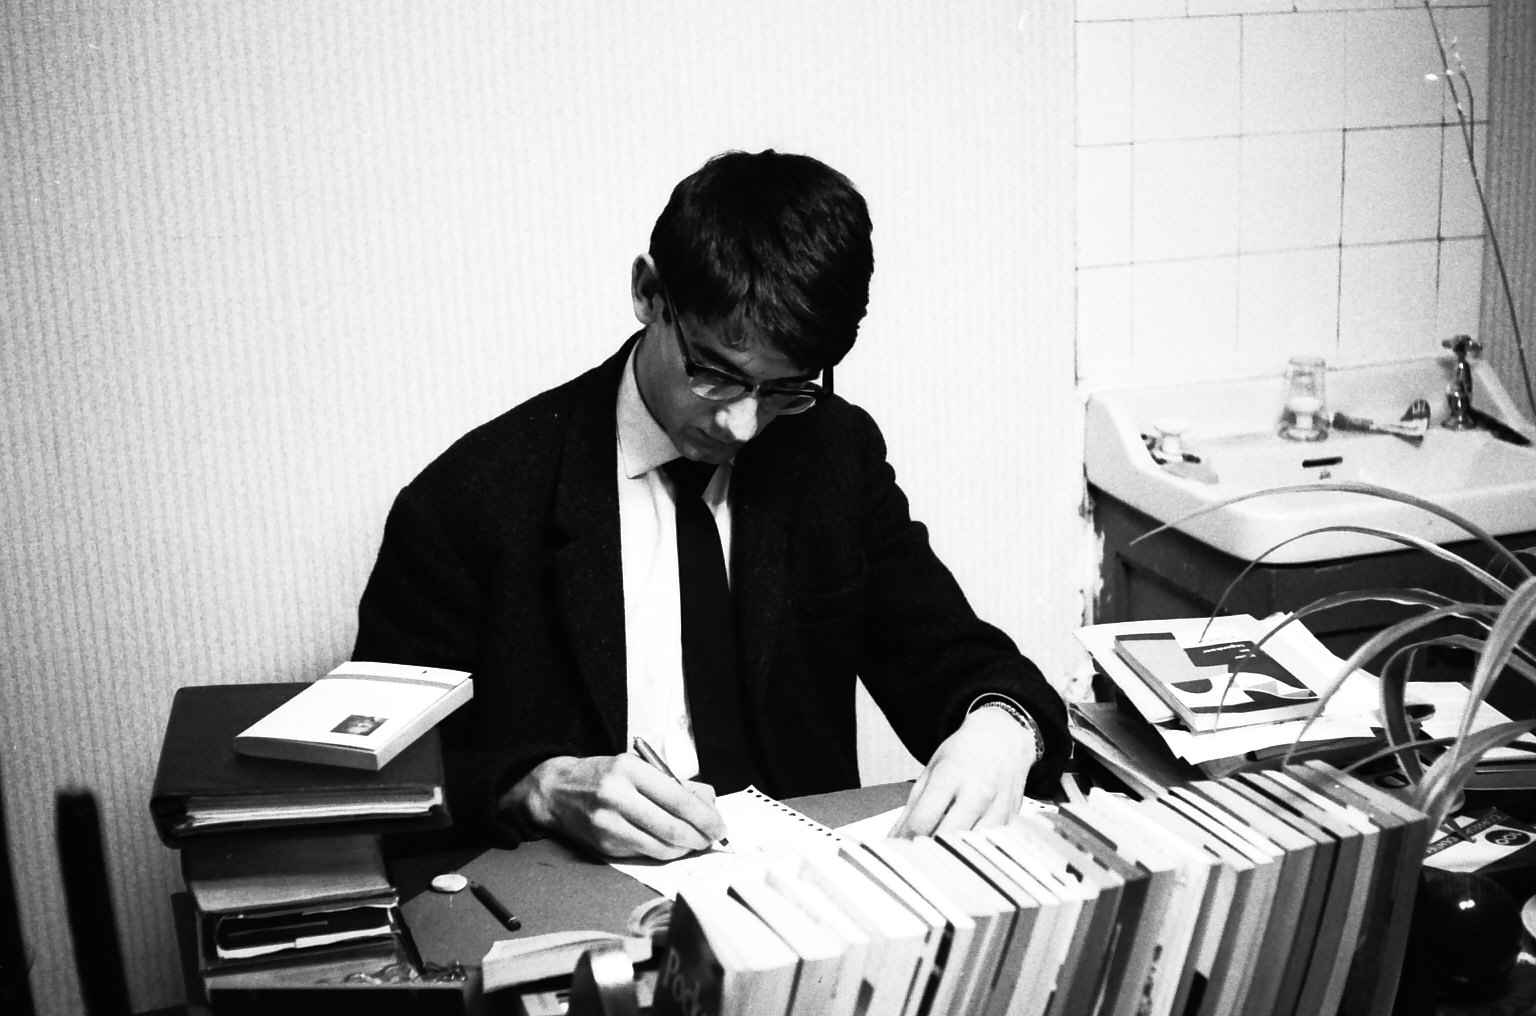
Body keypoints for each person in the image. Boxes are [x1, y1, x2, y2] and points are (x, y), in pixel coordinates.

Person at [354, 150, 1068, 860]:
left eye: (784, 389)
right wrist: (536, 787)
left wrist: (1001, 732)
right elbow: (382, 780)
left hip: (802, 890)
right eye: (715, 374)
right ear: (648, 293)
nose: (742, 426)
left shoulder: (830, 453)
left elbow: (952, 656)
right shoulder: (469, 500)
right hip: (572, 897)